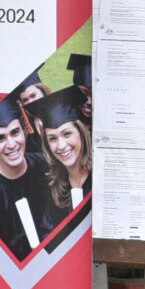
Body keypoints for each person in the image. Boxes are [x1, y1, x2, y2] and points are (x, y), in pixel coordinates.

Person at [0, 97, 62, 262]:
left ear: (25, 131)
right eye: (0, 138)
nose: (11, 144)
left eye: (15, 132)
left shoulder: (47, 166)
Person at [29, 88, 93, 216]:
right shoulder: (55, 186)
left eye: (67, 134)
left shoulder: (98, 177)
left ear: (81, 133)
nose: (61, 146)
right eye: (52, 138)